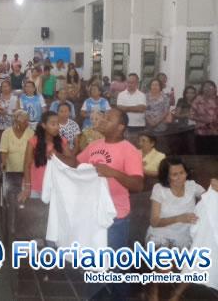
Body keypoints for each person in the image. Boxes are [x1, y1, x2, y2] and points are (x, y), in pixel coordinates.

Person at [62, 108, 143, 301]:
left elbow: (138, 185)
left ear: (120, 126)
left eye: (108, 118)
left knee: (116, 266)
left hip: (116, 217)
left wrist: (113, 173)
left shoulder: (129, 150)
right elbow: (76, 165)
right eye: (103, 117)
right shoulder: (95, 145)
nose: (103, 120)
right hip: (92, 215)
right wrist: (59, 156)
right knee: (93, 263)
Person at [145, 157, 208, 301]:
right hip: (160, 235)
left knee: (196, 264)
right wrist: (179, 218)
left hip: (185, 237)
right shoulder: (159, 189)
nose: (180, 177)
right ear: (166, 177)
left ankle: (176, 295)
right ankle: (153, 290)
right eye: (175, 174)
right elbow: (154, 221)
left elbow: (209, 198)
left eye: (182, 172)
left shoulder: (192, 186)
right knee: (165, 266)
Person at [18, 111, 69, 202]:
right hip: (34, 186)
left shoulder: (62, 142)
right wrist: (27, 187)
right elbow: (27, 165)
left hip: (54, 187)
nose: (57, 127)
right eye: (53, 124)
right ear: (44, 125)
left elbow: (72, 162)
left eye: (58, 124)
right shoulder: (33, 141)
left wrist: (58, 155)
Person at [190, 80, 218, 155]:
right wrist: (203, 120)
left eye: (210, 87)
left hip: (214, 132)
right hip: (201, 133)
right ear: (202, 88)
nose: (208, 88)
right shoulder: (197, 100)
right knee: (201, 156)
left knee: (214, 157)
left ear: (215, 89)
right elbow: (191, 115)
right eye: (205, 86)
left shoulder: (216, 100)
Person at [117, 73, 147, 140]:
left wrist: (126, 108)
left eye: (132, 82)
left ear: (137, 83)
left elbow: (141, 109)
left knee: (138, 148)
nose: (129, 84)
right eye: (128, 82)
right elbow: (119, 108)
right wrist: (136, 108)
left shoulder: (142, 95)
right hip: (125, 126)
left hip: (139, 126)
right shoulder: (121, 95)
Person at [0, 80, 19, 150]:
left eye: (7, 86)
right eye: (3, 87)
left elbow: (17, 111)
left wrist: (4, 110)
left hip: (11, 124)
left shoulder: (15, 97)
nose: (5, 88)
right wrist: (10, 111)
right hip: (0, 124)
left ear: (10, 87)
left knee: (10, 143)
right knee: (0, 143)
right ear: (1, 88)